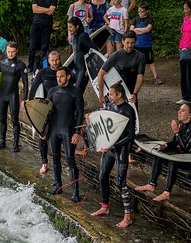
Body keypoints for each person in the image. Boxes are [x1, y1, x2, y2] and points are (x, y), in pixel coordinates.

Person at [135, 102, 191, 202]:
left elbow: (186, 147)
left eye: (182, 111)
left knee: (173, 161)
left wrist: (177, 132)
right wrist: (165, 145)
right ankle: (151, 184)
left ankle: (166, 193)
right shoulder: (182, 124)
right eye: (179, 110)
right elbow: (175, 142)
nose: (179, 112)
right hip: (186, 154)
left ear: (190, 115)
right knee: (159, 154)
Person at [89, 83, 137, 228]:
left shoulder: (128, 110)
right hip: (109, 149)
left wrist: (114, 145)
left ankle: (127, 216)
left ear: (119, 95)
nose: (108, 96)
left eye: (110, 94)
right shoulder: (110, 106)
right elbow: (103, 125)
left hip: (121, 149)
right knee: (102, 176)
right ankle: (105, 206)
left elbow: (131, 135)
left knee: (120, 182)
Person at [45, 66, 84, 202]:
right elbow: (47, 112)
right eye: (57, 77)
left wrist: (77, 132)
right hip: (54, 130)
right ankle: (58, 185)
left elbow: (80, 113)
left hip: (68, 130)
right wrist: (43, 131)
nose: (59, 79)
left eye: (61, 76)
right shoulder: (52, 91)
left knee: (70, 159)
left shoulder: (75, 91)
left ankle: (75, 191)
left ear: (68, 76)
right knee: (55, 158)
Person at [0, 42, 28, 153]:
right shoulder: (2, 63)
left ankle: (15, 144)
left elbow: (26, 83)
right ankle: (2, 141)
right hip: (2, 95)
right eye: (8, 51)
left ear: (16, 51)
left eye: (13, 51)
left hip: (13, 95)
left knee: (14, 120)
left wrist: (24, 98)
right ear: (6, 51)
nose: (10, 54)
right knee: (2, 119)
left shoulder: (20, 65)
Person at [29, 51, 60, 174]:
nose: (54, 63)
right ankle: (44, 163)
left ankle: (62, 162)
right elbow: (35, 87)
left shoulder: (63, 71)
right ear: (48, 60)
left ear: (59, 59)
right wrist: (29, 102)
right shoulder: (43, 72)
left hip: (60, 108)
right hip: (46, 109)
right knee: (42, 136)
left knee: (60, 136)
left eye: (56, 60)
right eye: (52, 60)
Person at [97, 31, 144, 107]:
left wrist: (135, 93)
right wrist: (101, 94)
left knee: (132, 116)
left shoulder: (140, 56)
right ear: (122, 41)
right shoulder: (116, 55)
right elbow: (100, 74)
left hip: (131, 92)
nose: (130, 45)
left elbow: (140, 77)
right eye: (127, 42)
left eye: (132, 43)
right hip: (117, 93)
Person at [28, 0, 58, 73]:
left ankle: (44, 66)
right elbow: (34, 10)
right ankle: (30, 66)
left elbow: (52, 11)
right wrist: (47, 9)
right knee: (32, 45)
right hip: (36, 23)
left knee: (44, 46)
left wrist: (40, 9)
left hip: (47, 24)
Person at [130, 2, 163, 85]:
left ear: (147, 11)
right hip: (136, 45)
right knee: (135, 61)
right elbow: (131, 30)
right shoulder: (135, 19)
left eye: (142, 11)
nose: (140, 13)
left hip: (147, 45)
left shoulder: (150, 19)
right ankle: (135, 77)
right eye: (139, 11)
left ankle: (156, 77)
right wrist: (141, 30)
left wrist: (137, 30)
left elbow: (147, 29)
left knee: (150, 61)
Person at [67, 17, 98, 94]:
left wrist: (89, 68)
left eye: (71, 27)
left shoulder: (83, 36)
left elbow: (95, 51)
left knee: (78, 93)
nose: (69, 29)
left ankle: (80, 104)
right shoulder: (74, 36)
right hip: (75, 68)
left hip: (83, 71)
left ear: (77, 26)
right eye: (68, 27)